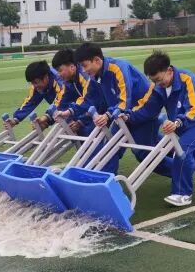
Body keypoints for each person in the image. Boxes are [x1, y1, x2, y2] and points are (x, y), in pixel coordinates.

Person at [123, 50, 195, 207]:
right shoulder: (158, 87)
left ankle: (182, 194)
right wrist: (128, 116)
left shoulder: (187, 78)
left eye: (159, 79)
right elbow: (147, 108)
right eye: (153, 81)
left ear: (169, 71)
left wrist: (177, 122)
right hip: (185, 124)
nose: (157, 84)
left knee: (182, 150)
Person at [69, 42, 172, 176]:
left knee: (144, 154)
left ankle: (182, 170)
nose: (83, 70)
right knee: (111, 146)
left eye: (85, 65)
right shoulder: (95, 77)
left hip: (142, 113)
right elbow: (88, 98)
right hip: (122, 116)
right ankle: (105, 180)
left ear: (97, 60)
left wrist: (107, 115)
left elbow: (125, 100)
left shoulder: (118, 68)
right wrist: (69, 111)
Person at [4, 60, 69, 131]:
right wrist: (15, 119)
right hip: (65, 111)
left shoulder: (60, 81)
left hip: (74, 107)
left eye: (35, 82)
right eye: (31, 83)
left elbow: (62, 102)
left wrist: (46, 118)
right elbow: (31, 101)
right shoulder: (37, 85)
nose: (34, 86)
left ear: (46, 77)